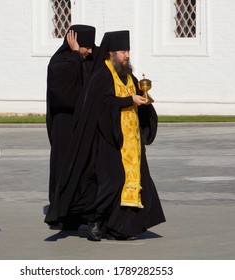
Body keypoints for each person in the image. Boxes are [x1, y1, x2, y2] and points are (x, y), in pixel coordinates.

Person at [45, 30, 166, 241]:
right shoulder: (101, 75)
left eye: (128, 51)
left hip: (130, 141)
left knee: (136, 182)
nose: (127, 55)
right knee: (112, 182)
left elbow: (135, 99)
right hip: (106, 139)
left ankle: (121, 227)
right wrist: (129, 100)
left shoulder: (129, 76)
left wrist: (145, 101)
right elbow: (99, 106)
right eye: (122, 51)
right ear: (111, 53)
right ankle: (94, 220)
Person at [46, 24, 97, 228]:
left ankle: (81, 210)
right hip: (64, 125)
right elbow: (63, 93)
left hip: (82, 124)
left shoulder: (86, 60)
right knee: (64, 166)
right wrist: (75, 53)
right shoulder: (60, 62)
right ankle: (62, 212)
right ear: (73, 42)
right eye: (86, 47)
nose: (90, 51)